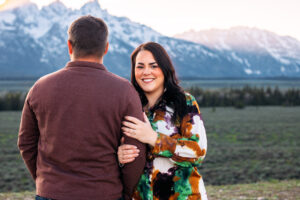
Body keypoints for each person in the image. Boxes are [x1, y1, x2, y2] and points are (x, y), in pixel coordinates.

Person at [18, 15, 146, 200]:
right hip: (106, 194)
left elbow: (26, 143)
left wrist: (46, 182)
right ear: (106, 48)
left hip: (51, 193)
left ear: (69, 46)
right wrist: (124, 193)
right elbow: (135, 151)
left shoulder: (40, 87)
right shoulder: (125, 91)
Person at [117, 42, 208, 200]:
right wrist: (119, 156)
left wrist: (154, 139)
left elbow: (198, 151)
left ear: (165, 69)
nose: (146, 72)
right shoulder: (128, 107)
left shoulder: (185, 102)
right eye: (140, 67)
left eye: (153, 66)